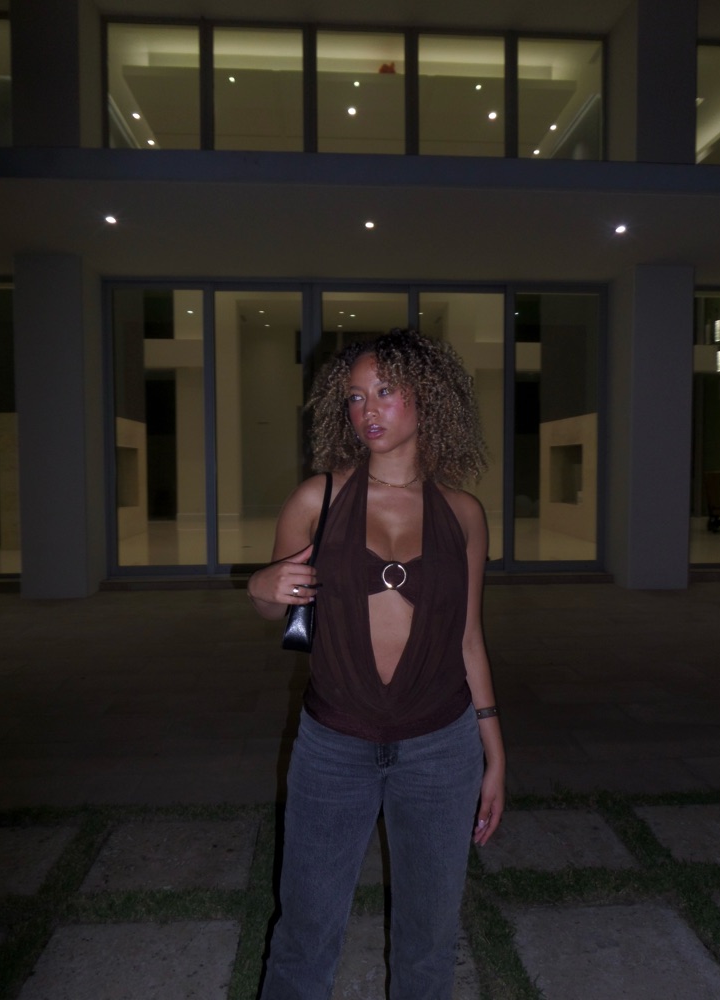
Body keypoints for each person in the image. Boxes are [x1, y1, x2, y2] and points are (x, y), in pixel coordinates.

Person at [247, 328, 505, 1000]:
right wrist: (260, 587)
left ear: (428, 398)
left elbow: (469, 637)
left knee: (429, 940)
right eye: (356, 396)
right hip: (334, 744)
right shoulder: (317, 500)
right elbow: (274, 608)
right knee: (305, 934)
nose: (368, 409)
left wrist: (494, 752)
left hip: (441, 748)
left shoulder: (463, 514)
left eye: (385, 391)